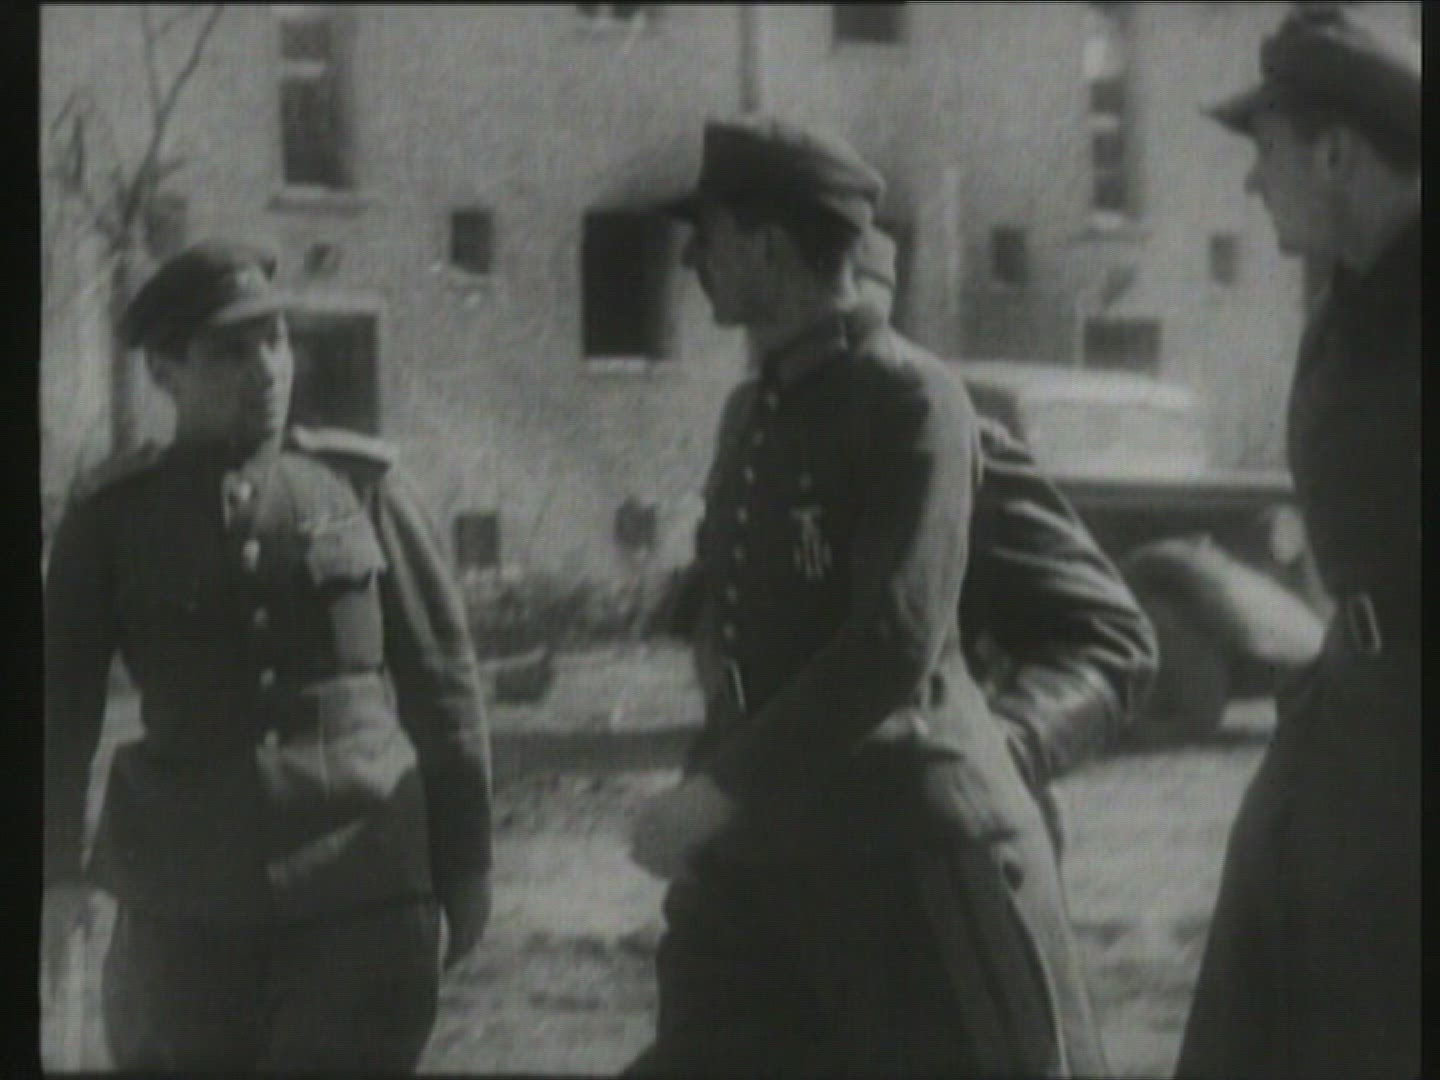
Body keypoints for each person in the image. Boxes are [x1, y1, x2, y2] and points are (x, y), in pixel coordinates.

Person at [625, 114, 1106, 1078]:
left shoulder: (910, 399)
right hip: (772, 866)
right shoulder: (754, 409)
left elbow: (894, 636)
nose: (693, 262)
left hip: (907, 868)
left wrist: (718, 793)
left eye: (709, 236)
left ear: (769, 246)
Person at [42, 240, 495, 1072]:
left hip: (360, 891)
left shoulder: (361, 487)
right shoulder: (109, 518)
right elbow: (54, 710)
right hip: (184, 912)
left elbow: (443, 687)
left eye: (276, 340)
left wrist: (467, 864)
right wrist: (54, 873)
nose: (268, 369)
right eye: (231, 350)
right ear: (165, 371)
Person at [1177, 7, 1420, 1078]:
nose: (1250, 178)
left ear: (1335, 153)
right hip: (1348, 727)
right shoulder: (1347, 308)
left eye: (1264, 145)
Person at [850, 225, 1158, 857]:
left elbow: (1112, 639)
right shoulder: (761, 452)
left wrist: (1000, 749)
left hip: (938, 840)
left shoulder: (954, 446)